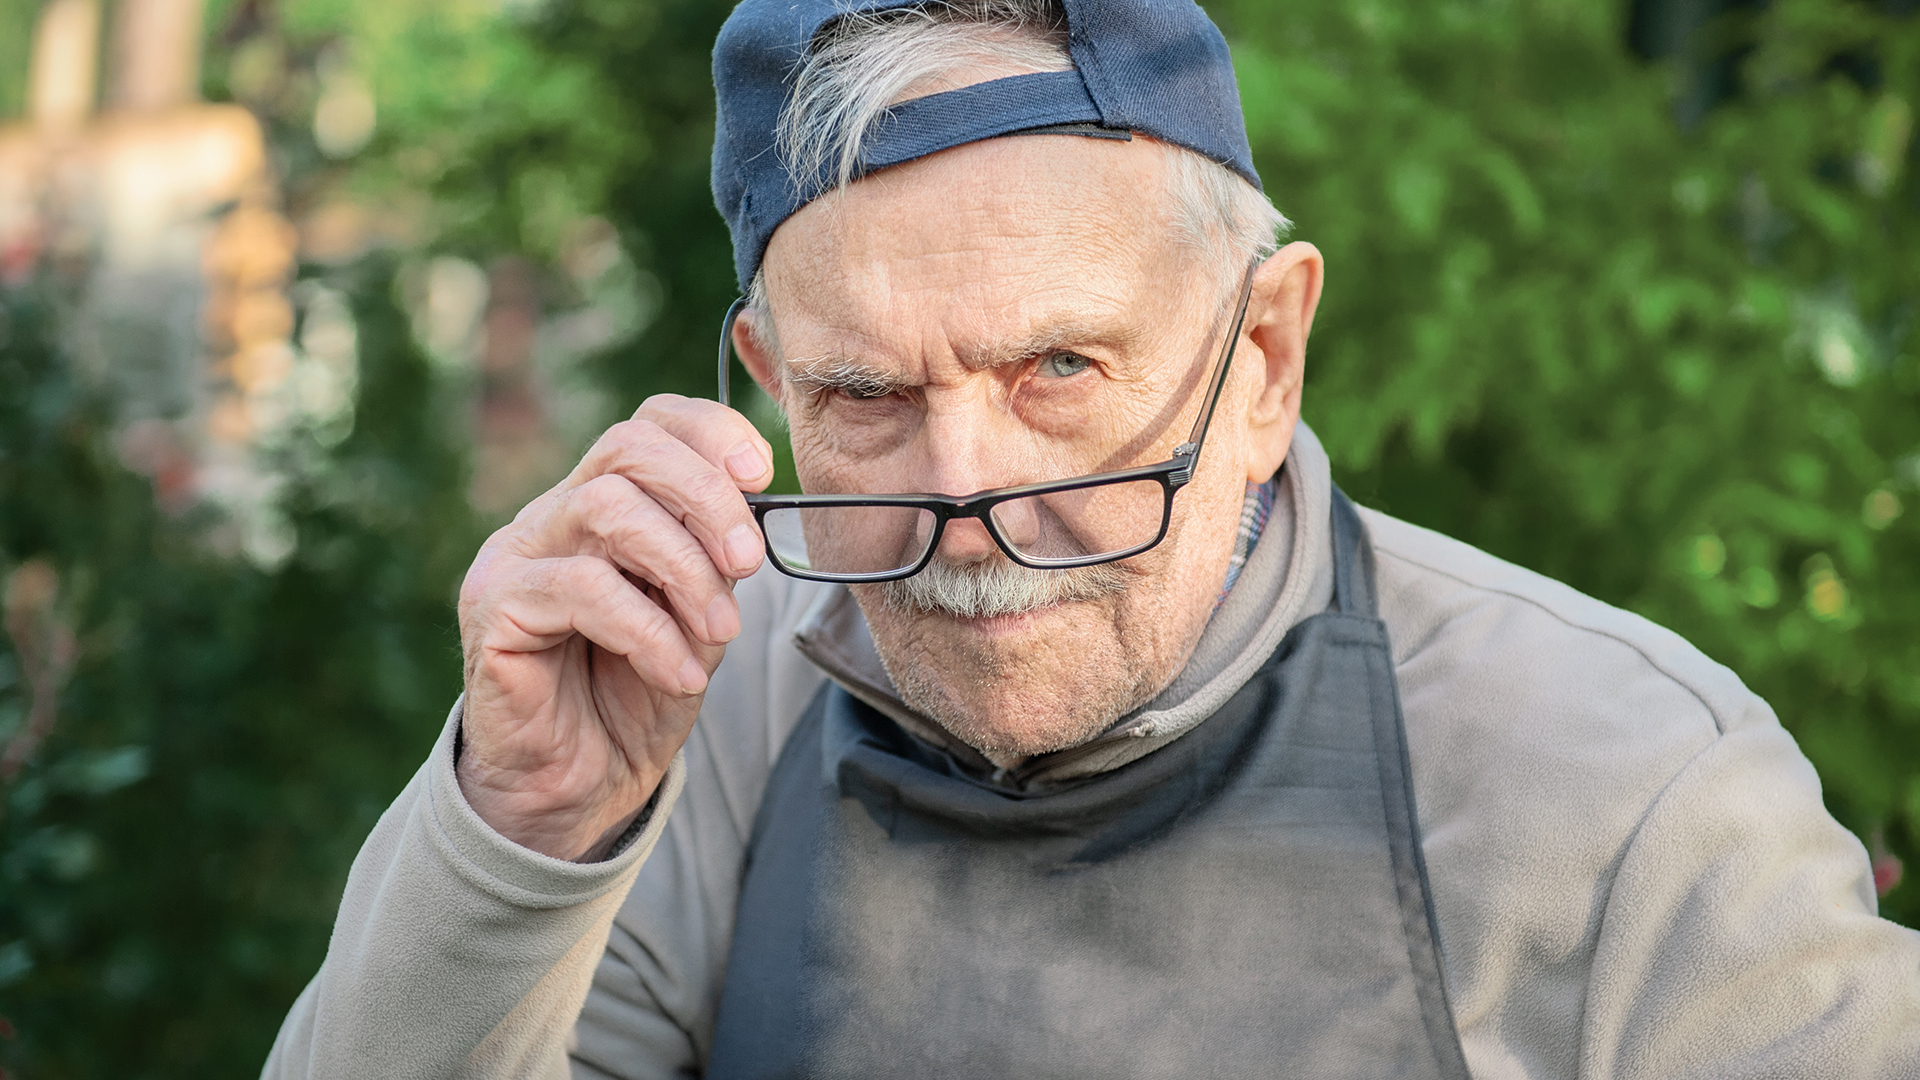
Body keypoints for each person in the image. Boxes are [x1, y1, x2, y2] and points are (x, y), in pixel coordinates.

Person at [263, 0, 1920, 1076]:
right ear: (764, 387)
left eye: (1058, 368)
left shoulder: (1622, 789)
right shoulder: (695, 714)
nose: (968, 511)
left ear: (1263, 357)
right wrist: (524, 827)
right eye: (862, 394)